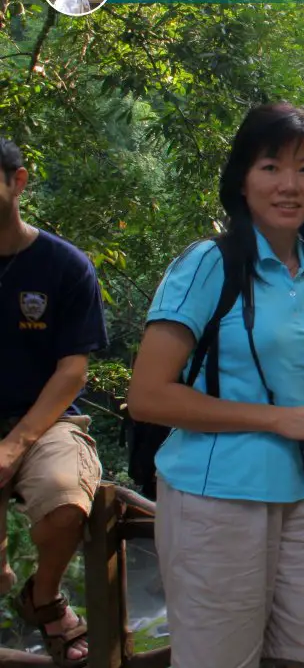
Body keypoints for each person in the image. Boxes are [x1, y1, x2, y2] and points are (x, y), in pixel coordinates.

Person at [126, 103, 304, 668]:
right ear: (243, 180)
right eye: (271, 167)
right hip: (216, 501)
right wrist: (277, 418)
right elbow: (148, 396)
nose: (289, 184)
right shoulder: (210, 265)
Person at [0, 136, 107, 667]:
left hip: (46, 420)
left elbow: (72, 371)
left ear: (16, 182)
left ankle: (43, 599)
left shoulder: (64, 266)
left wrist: (14, 444)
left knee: (66, 502)